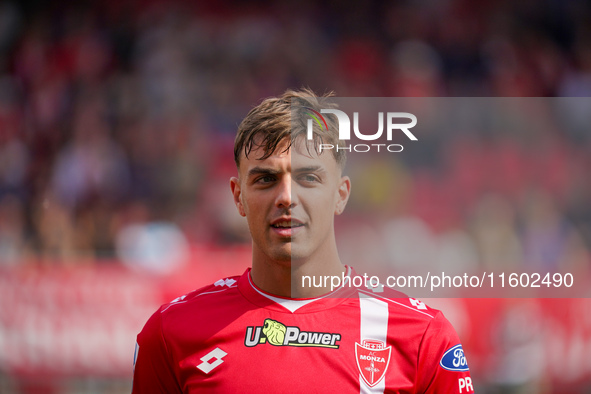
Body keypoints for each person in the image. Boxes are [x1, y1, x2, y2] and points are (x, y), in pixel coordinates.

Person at [131, 89, 473, 393]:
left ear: (341, 195)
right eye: (266, 178)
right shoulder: (171, 333)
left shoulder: (423, 338)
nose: (286, 197)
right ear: (238, 197)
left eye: (309, 178)